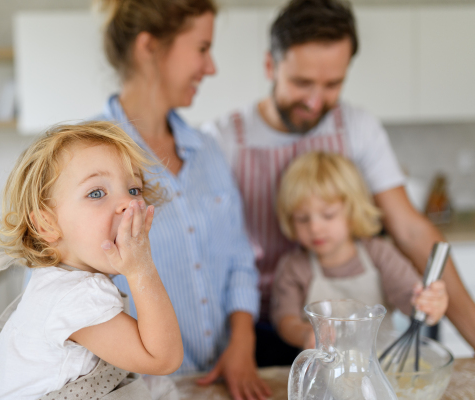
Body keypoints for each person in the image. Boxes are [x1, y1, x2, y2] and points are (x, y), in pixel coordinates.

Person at [202, 0, 475, 364]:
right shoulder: (224, 140)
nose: (316, 102)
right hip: (262, 329)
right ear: (270, 65)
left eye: (333, 84)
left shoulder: (357, 129)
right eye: (302, 83)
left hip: (355, 332)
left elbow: (410, 230)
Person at [94, 1, 270, 399]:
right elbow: (55, 286)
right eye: (202, 48)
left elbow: (240, 258)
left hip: (221, 382)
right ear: (149, 47)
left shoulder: (206, 149)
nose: (211, 68)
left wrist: (242, 342)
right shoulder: (84, 159)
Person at [0, 122, 183, 400]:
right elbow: (163, 359)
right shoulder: (76, 295)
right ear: (48, 224)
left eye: (134, 189)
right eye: (96, 193)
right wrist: (141, 270)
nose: (128, 203)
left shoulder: (58, 282)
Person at [271, 152, 448, 349]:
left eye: (328, 215)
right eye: (303, 219)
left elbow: (408, 297)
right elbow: (285, 321)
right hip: (324, 375)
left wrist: (427, 303)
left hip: (380, 369)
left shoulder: (379, 253)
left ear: (353, 211)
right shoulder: (293, 267)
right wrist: (305, 334)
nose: (314, 228)